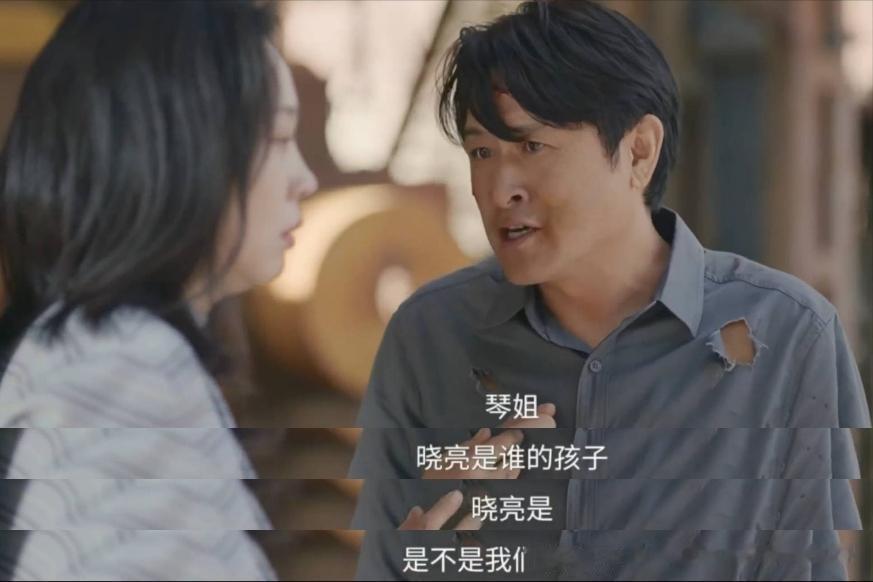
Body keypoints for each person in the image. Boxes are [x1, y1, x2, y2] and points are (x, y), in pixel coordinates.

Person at [349, 1, 871, 580]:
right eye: (481, 153)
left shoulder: (787, 334)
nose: (499, 191)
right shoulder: (431, 335)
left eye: (531, 147)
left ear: (638, 151)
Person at [0, 1, 471, 580]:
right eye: (279, 138)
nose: (303, 178)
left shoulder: (106, 351)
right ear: (179, 152)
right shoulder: (125, 373)